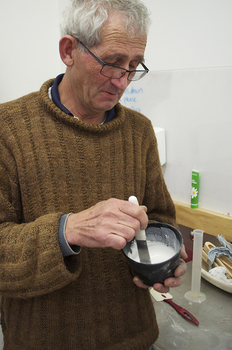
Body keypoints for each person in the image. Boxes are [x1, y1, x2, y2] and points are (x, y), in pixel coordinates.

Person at [0, 0, 187, 349]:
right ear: (69, 50)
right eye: (112, 63)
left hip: (133, 336)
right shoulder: (7, 130)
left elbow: (160, 218)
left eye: (134, 66)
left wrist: (164, 263)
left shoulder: (139, 131)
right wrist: (68, 230)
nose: (122, 81)